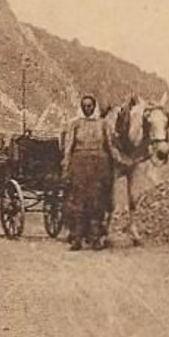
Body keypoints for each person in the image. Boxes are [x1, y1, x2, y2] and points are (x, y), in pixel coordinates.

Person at [60, 94, 113, 250]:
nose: (87, 108)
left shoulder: (103, 124)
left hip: (99, 166)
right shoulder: (75, 124)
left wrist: (117, 162)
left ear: (94, 106)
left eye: (90, 106)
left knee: (97, 202)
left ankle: (95, 239)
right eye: (85, 106)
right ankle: (77, 239)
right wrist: (66, 166)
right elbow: (69, 146)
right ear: (81, 107)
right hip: (79, 166)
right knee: (78, 202)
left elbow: (110, 145)